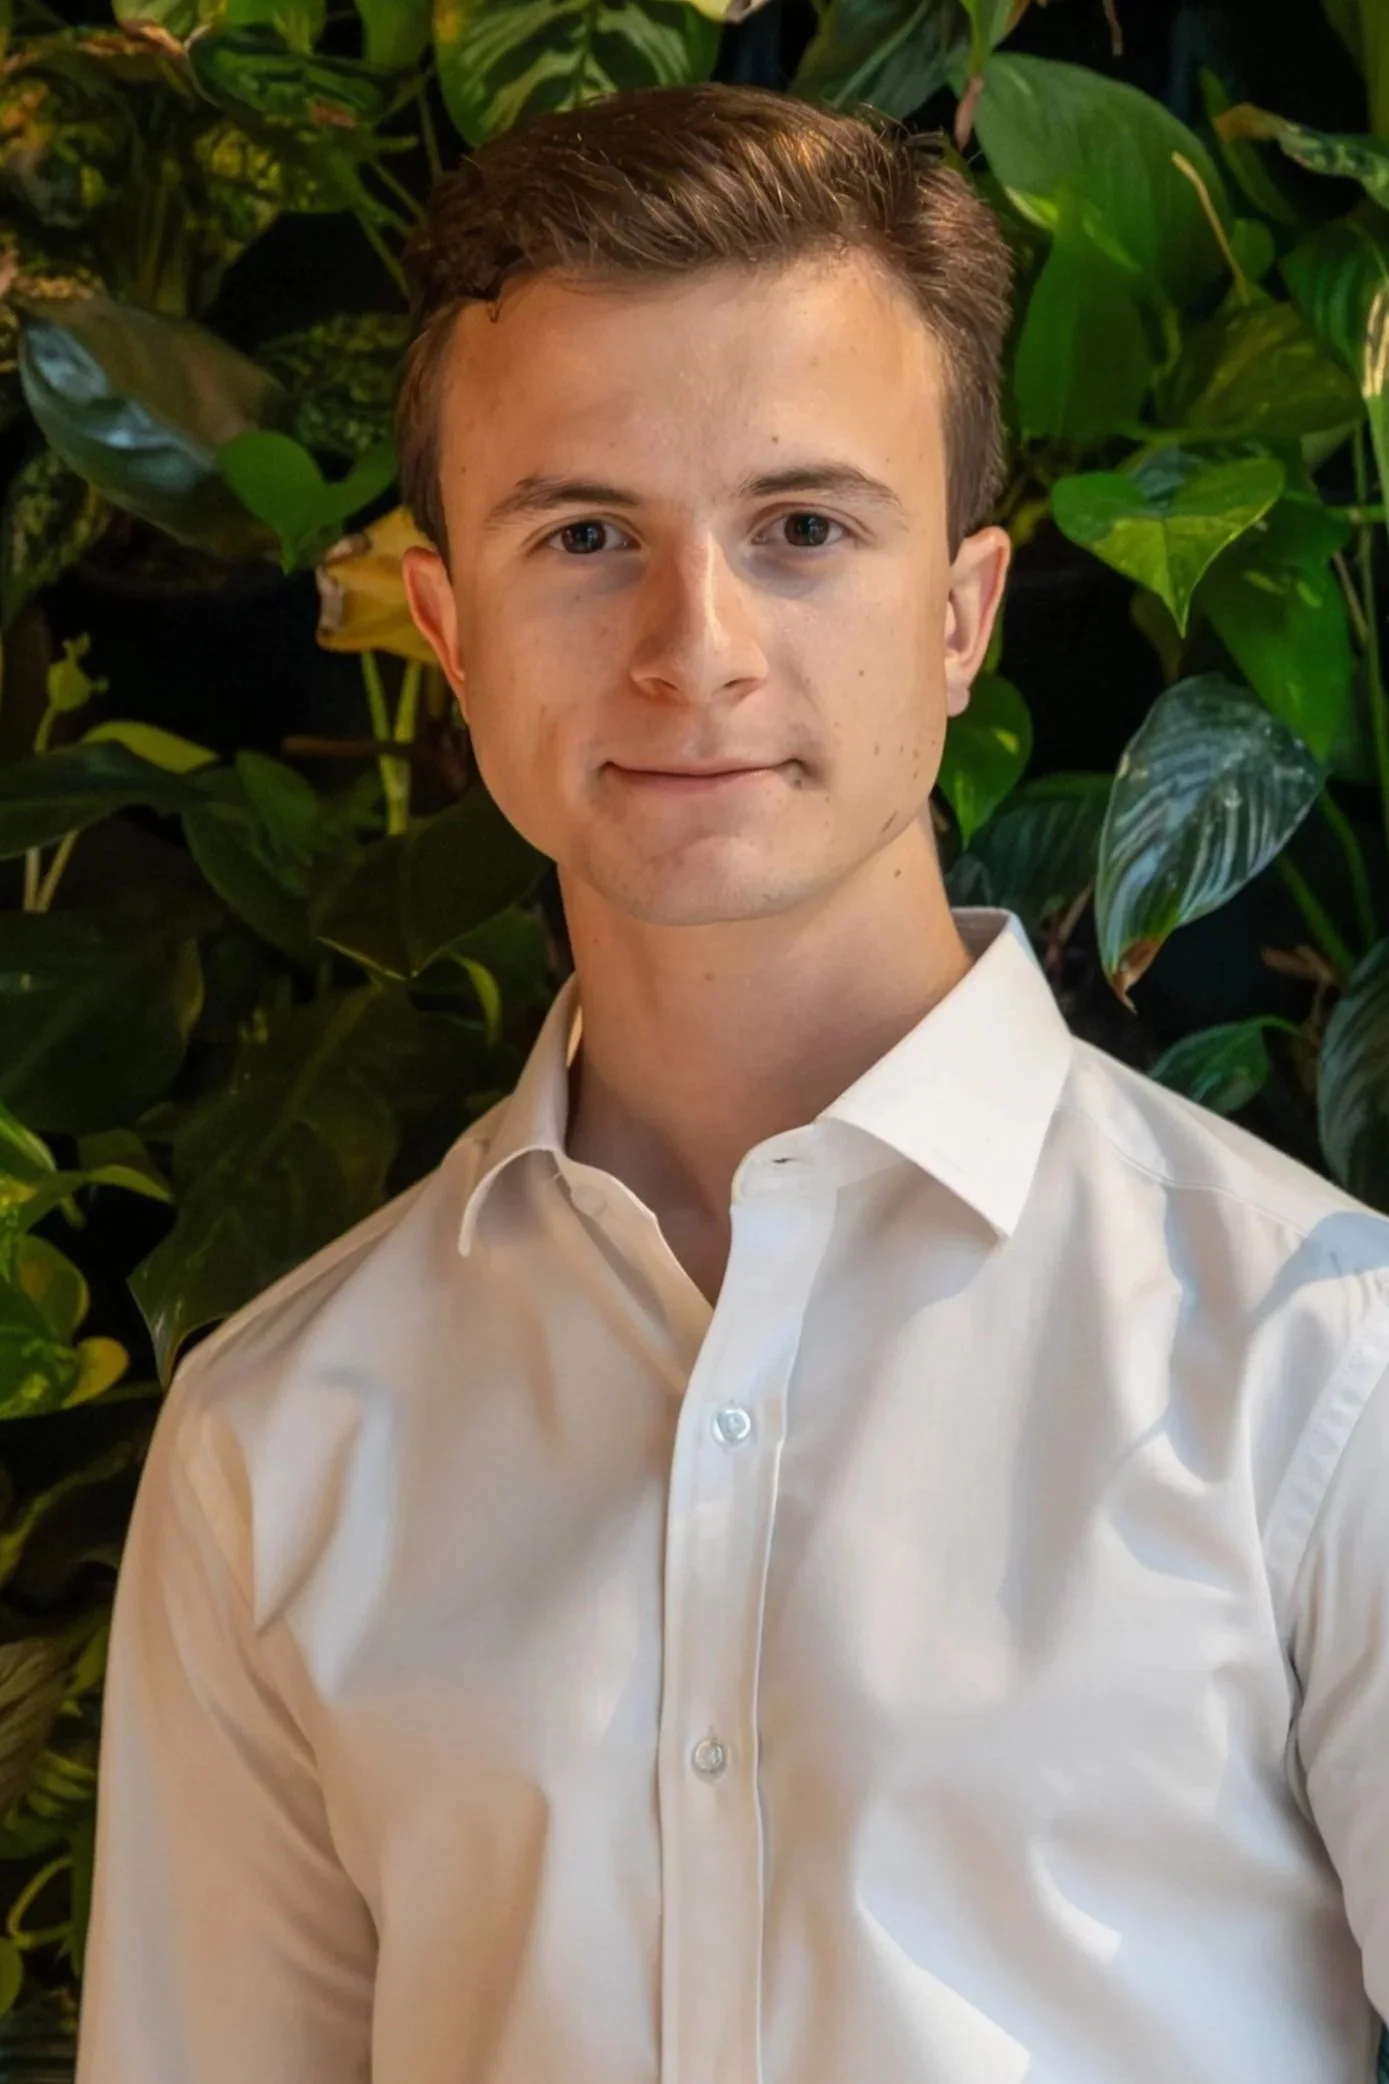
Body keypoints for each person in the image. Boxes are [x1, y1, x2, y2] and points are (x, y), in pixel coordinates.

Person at [75, 79, 1389, 2084]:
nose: (697, 648)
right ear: (447, 626)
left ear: (958, 616)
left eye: (800, 528)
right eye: (586, 533)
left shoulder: (1323, 1368)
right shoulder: (277, 1441)